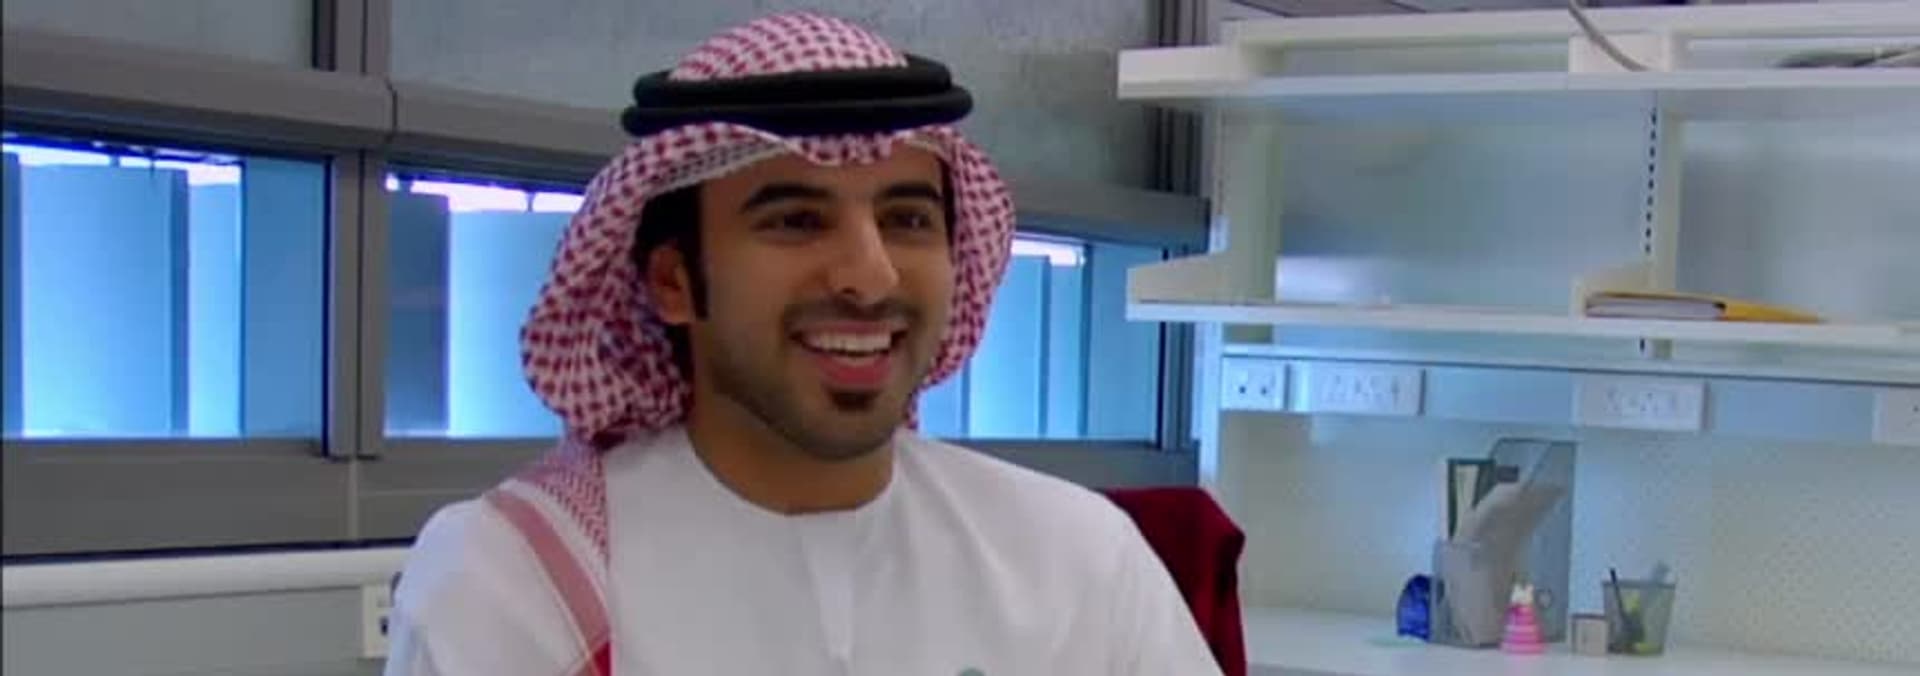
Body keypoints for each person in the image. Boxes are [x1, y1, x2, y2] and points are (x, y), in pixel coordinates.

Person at [384, 12, 1221, 676]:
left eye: (907, 219)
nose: (870, 275)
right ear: (672, 282)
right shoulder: (525, 578)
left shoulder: (1076, 559)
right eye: (794, 220)